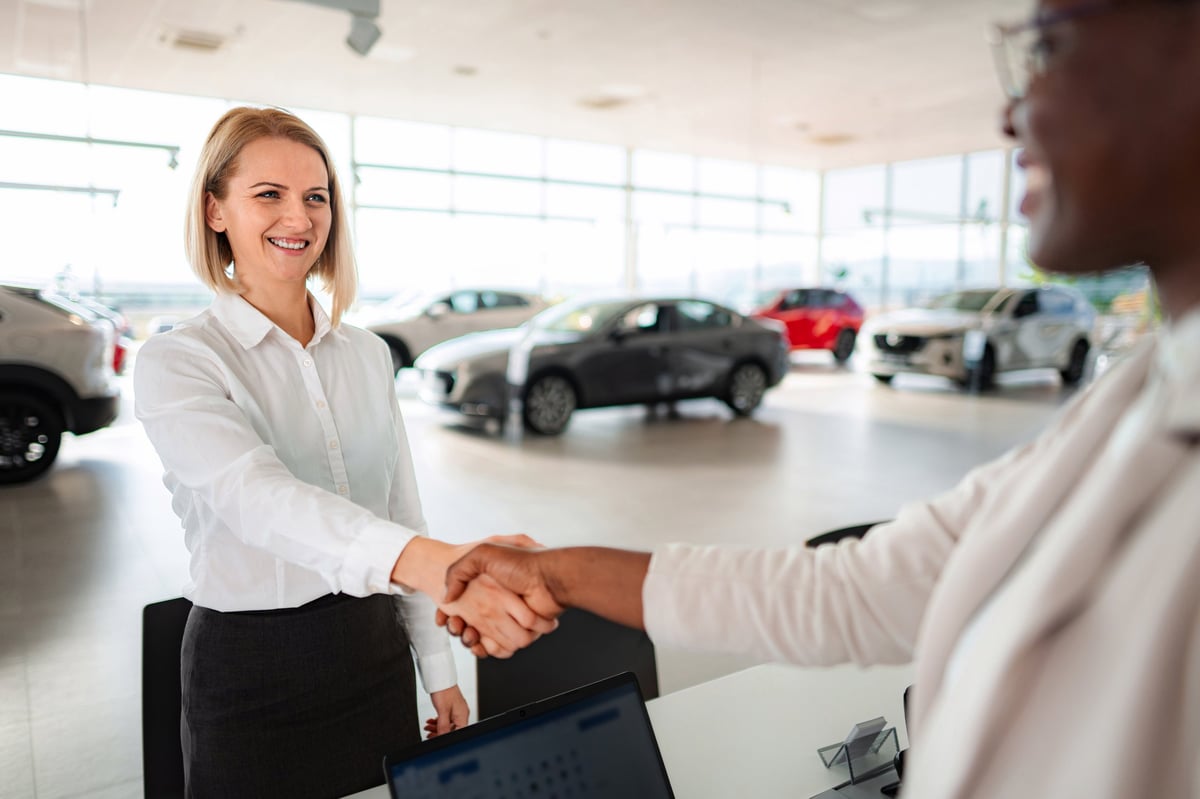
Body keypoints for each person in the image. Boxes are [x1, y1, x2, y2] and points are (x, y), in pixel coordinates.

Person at [439, 1, 1200, 796]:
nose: (1013, 113)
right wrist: (551, 572)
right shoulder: (1131, 401)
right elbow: (849, 591)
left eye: (1050, 49)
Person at [134, 107, 554, 798]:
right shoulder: (179, 361)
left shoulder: (365, 353)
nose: (298, 218)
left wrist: (438, 669)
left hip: (373, 651)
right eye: (268, 194)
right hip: (250, 671)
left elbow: (400, 508)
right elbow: (259, 498)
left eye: (316, 196)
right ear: (215, 210)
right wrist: (446, 566)